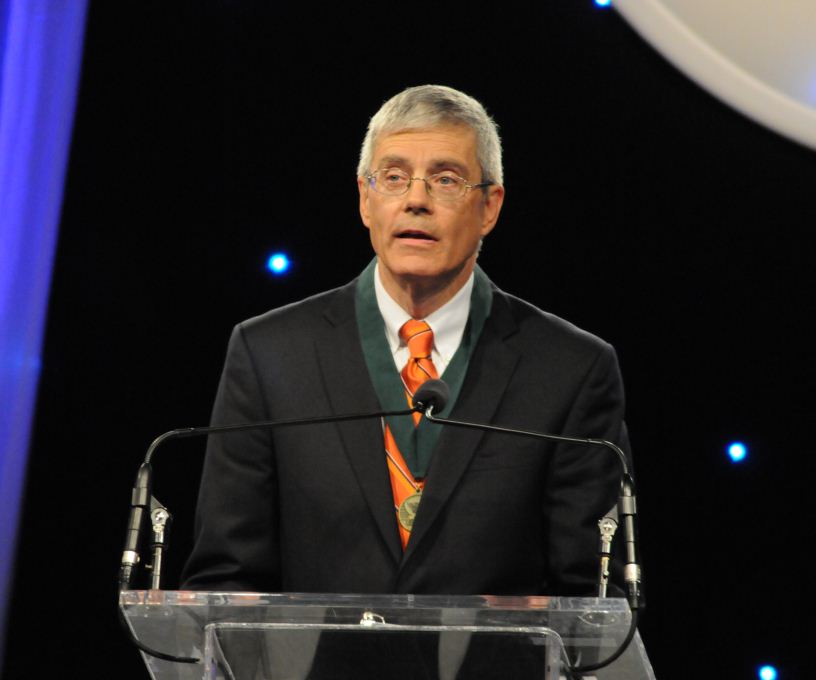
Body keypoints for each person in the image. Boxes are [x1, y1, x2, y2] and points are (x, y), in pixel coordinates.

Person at [181, 84, 630, 596]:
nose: (416, 200)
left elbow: (592, 606)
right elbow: (225, 582)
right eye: (393, 177)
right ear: (365, 200)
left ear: (489, 207)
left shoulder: (570, 370)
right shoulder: (270, 354)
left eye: (445, 179)